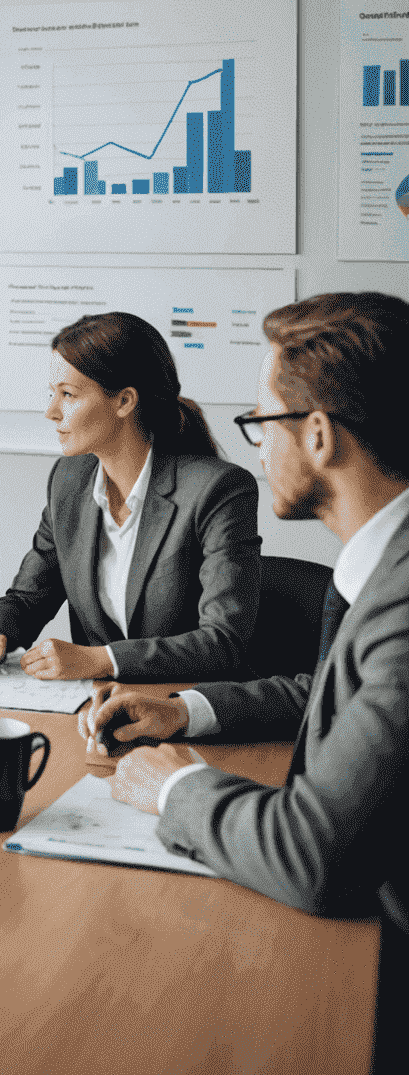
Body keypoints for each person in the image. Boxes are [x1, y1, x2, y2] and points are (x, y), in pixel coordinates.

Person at [84, 292, 409, 1074]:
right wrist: (182, 711)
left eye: (262, 424)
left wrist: (174, 789)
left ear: (320, 434)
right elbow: (332, 692)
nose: (257, 449)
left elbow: (314, 855)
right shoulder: (381, 566)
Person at [0, 311, 260, 683]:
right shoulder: (68, 480)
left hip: (186, 710)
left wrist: (103, 660)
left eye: (68, 394)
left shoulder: (218, 490)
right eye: (51, 394)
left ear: (124, 401)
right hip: (91, 711)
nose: (51, 412)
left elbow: (223, 642)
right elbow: (27, 598)